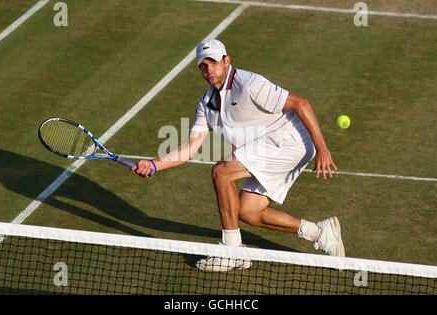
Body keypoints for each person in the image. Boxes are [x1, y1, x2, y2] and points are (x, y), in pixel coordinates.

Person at [132, 38, 344, 272]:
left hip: (289, 139)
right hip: (269, 144)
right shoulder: (206, 103)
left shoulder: (249, 83)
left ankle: (232, 251)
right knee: (248, 211)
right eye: (203, 65)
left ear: (226, 61)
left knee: (221, 171)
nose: (209, 70)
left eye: (213, 63)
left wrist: (322, 149)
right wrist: (154, 164)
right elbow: (191, 148)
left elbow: (301, 103)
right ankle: (321, 233)